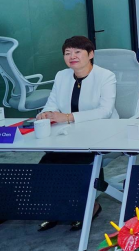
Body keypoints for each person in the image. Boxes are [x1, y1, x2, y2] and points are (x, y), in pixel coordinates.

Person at [36, 36, 118, 231]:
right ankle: (56, 209)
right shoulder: (61, 76)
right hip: (68, 133)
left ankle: (88, 206)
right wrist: (45, 114)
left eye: (77, 52)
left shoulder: (105, 76)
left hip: (100, 132)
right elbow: (52, 103)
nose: (72, 56)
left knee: (75, 161)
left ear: (90, 54)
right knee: (48, 162)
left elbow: (105, 111)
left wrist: (68, 117)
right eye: (67, 53)